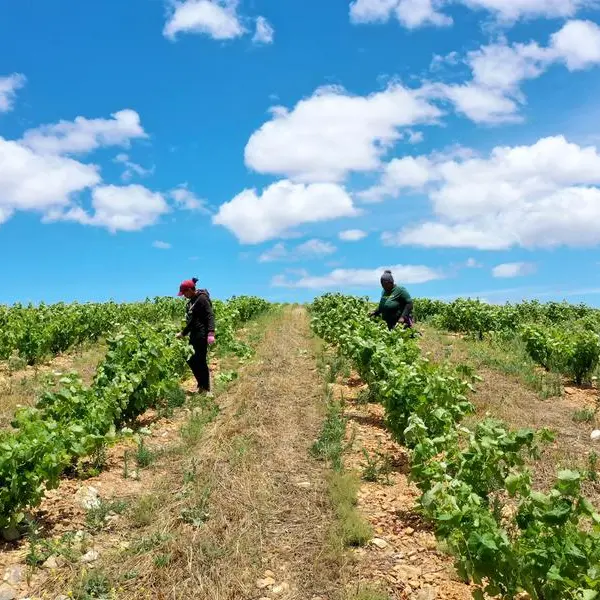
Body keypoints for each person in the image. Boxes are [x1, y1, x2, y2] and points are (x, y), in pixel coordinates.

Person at [175, 278, 215, 393]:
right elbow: (192, 322)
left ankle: (207, 389)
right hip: (194, 334)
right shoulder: (192, 301)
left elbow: (210, 315)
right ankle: (201, 384)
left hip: (202, 334)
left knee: (200, 361)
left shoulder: (202, 299)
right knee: (191, 360)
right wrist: (183, 333)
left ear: (189, 290)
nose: (184, 296)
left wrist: (211, 332)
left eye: (184, 293)